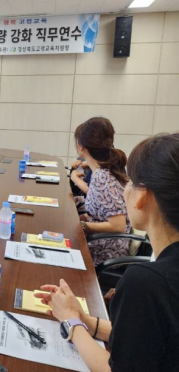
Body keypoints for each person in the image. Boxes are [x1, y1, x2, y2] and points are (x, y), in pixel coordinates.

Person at [35, 133, 179, 372]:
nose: (125, 188)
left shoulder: (147, 283)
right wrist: (84, 319)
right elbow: (145, 338)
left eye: (131, 181)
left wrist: (71, 323)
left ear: (143, 196)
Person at [74, 117, 131, 266]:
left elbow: (118, 226)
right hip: (101, 242)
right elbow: (100, 212)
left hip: (104, 251)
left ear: (82, 147)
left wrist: (82, 225)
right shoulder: (104, 169)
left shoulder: (102, 176)